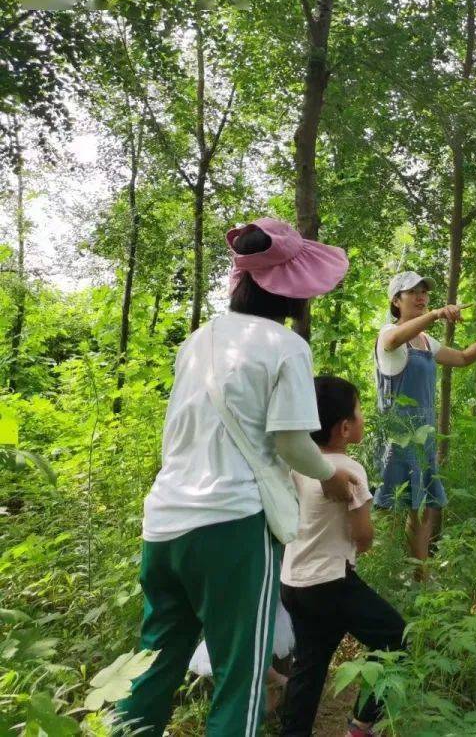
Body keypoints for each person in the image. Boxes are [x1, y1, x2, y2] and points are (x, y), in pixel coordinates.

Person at [117, 218, 357, 736]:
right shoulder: (286, 346)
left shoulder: (198, 341)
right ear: (293, 289)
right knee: (240, 680)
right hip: (232, 526)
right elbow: (293, 443)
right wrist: (329, 477)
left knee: (153, 665)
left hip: (163, 523)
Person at [280, 376, 407, 737]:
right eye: (359, 409)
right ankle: (362, 724)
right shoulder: (350, 470)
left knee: (309, 667)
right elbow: (363, 538)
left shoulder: (295, 465)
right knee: (396, 638)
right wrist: (364, 535)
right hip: (331, 582)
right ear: (344, 427)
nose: (363, 416)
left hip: (293, 582)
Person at [375, 271, 476, 570]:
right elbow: (392, 340)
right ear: (396, 301)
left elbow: (463, 358)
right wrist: (437, 314)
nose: (421, 296)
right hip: (398, 437)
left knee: (422, 509)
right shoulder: (390, 333)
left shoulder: (426, 340)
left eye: (424, 292)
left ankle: (419, 575)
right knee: (389, 508)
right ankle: (383, 571)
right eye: (413, 292)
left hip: (423, 436)